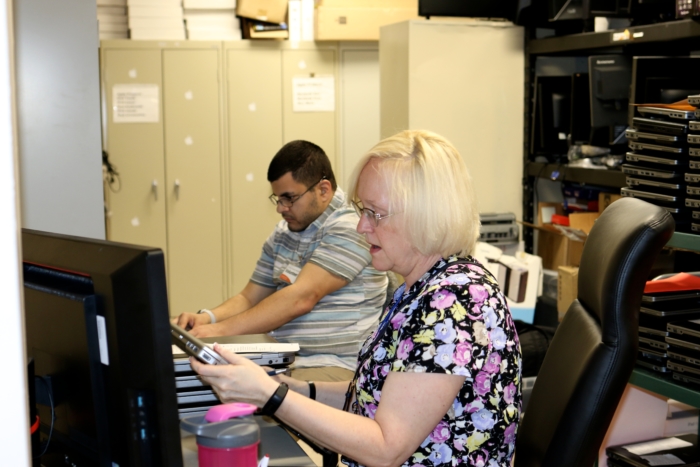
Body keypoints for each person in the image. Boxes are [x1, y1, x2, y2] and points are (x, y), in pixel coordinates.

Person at [191, 130, 522, 466]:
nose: (361, 226)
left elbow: (385, 449)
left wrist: (270, 395)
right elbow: (373, 393)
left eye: (374, 213)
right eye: (362, 210)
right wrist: (290, 387)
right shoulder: (419, 288)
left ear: (426, 215)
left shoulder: (454, 301)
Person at [175, 140, 388, 382]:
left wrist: (217, 332)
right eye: (277, 198)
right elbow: (249, 297)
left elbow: (301, 298)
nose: (280, 208)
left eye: (289, 198)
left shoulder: (351, 227)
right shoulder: (283, 233)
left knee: (241, 392)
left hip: (336, 365)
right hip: (284, 358)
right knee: (205, 381)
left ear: (323, 190)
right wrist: (208, 318)